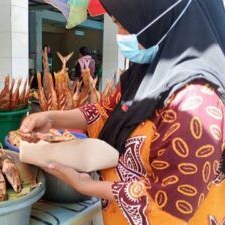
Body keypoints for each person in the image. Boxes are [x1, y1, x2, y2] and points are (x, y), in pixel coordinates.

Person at [20, 0, 225, 224]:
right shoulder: (146, 74)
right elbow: (106, 111)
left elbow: (172, 203)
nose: (121, 36)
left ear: (159, 17)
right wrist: (52, 118)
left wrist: (86, 186)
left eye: (122, 24)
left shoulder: (196, 102)